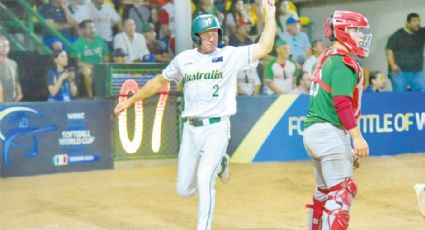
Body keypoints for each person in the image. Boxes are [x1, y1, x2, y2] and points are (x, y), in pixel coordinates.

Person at [113, 0, 276, 229]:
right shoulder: (184, 59)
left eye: (215, 33)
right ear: (196, 37)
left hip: (217, 127)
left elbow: (265, 47)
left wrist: (269, 16)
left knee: (204, 178)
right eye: (206, 34)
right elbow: (159, 82)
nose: (212, 38)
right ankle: (221, 164)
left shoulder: (229, 55)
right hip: (190, 128)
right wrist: (130, 100)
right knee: (183, 190)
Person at [303, 10, 370, 230]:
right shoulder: (343, 62)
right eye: (357, 30)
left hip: (314, 132)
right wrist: (357, 138)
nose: (361, 36)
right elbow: (341, 104)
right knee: (341, 194)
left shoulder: (326, 57)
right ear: (343, 31)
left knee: (324, 192)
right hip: (330, 133)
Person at [386, 13, 425, 92]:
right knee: (400, 95)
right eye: (414, 21)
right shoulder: (397, 35)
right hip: (399, 72)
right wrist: (392, 64)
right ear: (407, 23)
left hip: (417, 72)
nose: (417, 23)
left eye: (418, 21)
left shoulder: (421, 33)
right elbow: (389, 49)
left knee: (421, 95)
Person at [72, 19, 110, 97]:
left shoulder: (100, 40)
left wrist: (101, 65)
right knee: (87, 72)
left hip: (100, 66)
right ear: (83, 30)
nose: (93, 30)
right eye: (89, 28)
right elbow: (78, 62)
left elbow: (106, 56)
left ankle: (107, 95)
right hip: (85, 67)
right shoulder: (78, 43)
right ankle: (91, 96)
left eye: (93, 27)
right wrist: (93, 67)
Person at [0, 37, 23, 103]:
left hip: (12, 101)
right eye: (2, 45)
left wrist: (20, 94)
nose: (5, 48)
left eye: (6, 45)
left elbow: (16, 80)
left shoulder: (13, 63)